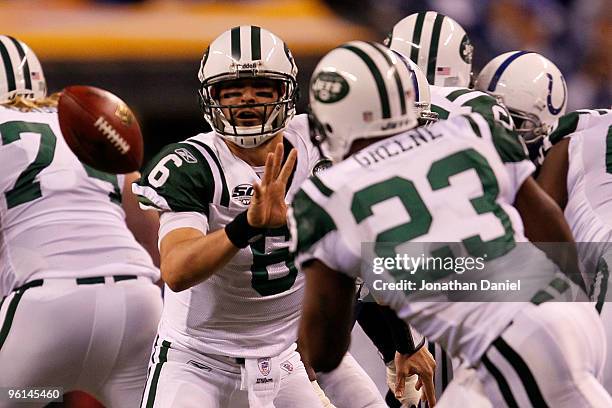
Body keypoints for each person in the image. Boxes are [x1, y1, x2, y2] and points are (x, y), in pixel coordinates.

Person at [291, 40, 611, 407]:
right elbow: (548, 227)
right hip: (570, 311)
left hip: (512, 343)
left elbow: (324, 352)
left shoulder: (325, 196)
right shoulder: (473, 130)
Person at [133, 25, 344, 407]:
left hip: (281, 361)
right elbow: (177, 271)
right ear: (210, 96)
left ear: (286, 92)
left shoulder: (319, 143)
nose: (247, 98)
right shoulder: (194, 163)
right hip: (195, 362)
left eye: (262, 87)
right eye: (231, 89)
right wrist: (246, 225)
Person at [0, 35, 163, 407]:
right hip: (138, 302)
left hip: (47, 307)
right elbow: (152, 235)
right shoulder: (85, 121)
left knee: (27, 395)